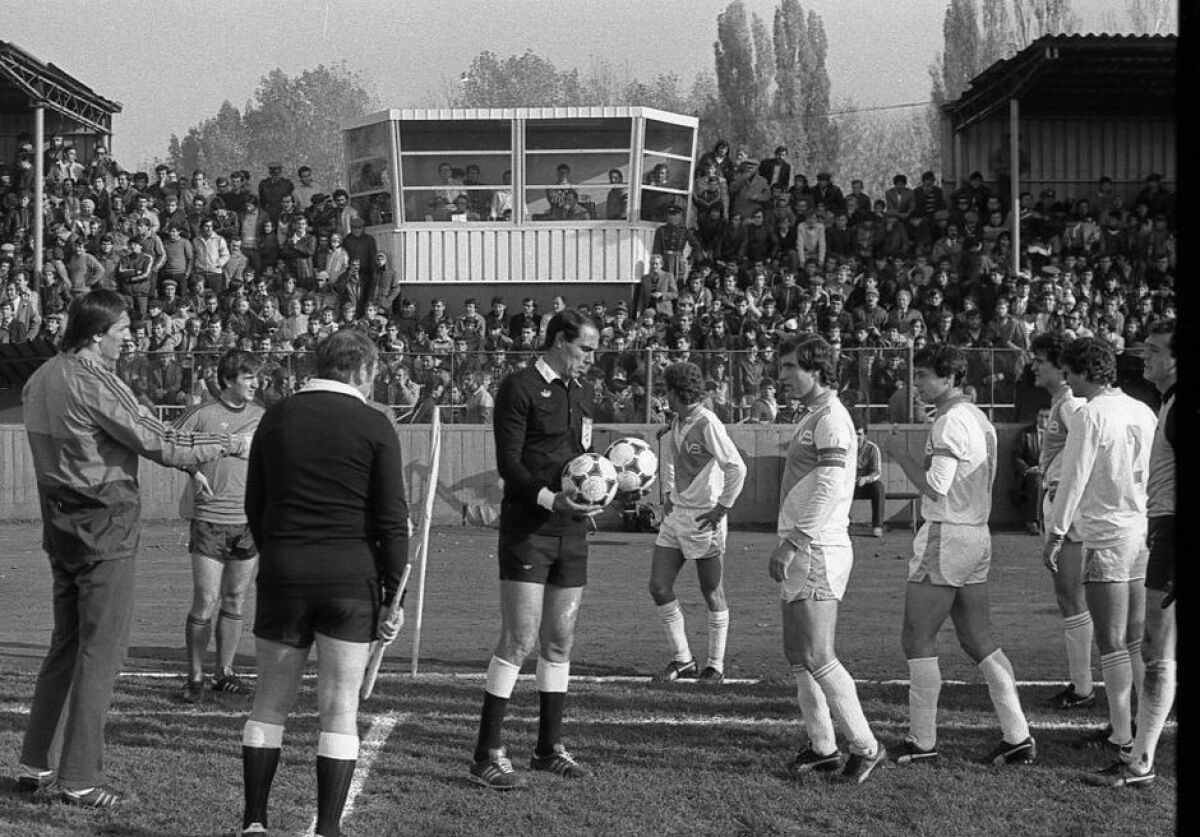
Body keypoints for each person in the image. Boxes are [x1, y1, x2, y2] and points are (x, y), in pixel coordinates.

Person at [16, 291, 242, 808]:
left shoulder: (41, 376)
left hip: (62, 525)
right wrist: (228, 445)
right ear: (97, 334)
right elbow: (159, 440)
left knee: (66, 644)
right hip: (103, 526)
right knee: (102, 651)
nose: (129, 339)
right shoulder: (92, 380)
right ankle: (79, 778)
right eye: (122, 330)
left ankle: (35, 763)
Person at [241, 329, 410, 837]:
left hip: (284, 573)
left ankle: (254, 821)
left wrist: (280, 554)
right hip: (349, 578)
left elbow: (255, 503)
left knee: (269, 701)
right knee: (339, 706)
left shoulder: (276, 417)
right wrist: (394, 595)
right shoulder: (374, 424)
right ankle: (328, 828)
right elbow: (391, 520)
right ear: (362, 370)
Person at [881, 345, 1035, 766]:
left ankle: (922, 741)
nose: (917, 384)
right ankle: (1017, 735)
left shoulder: (949, 421)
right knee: (978, 639)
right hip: (976, 534)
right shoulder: (978, 418)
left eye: (924, 376)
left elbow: (936, 486)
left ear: (949, 378)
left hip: (948, 533)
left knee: (917, 638)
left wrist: (899, 453)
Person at [469, 309, 600, 790]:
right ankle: (486, 753)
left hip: (572, 530)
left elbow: (582, 460)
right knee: (519, 640)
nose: (591, 358)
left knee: (559, 642)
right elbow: (509, 463)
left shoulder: (583, 392)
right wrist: (549, 498)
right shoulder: (518, 387)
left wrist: (601, 489)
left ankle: (548, 749)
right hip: (528, 529)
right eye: (585, 348)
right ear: (560, 341)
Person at [769, 335, 886, 784]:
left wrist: (794, 542)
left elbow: (831, 488)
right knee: (797, 652)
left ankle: (866, 747)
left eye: (790, 367)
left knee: (818, 653)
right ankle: (823, 748)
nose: (781, 375)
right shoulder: (813, 415)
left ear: (816, 370)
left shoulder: (832, 419)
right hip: (804, 545)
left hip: (816, 547)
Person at [1043, 338, 1157, 757]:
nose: (1068, 380)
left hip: (1106, 533)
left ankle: (1121, 735)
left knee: (1111, 640)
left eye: (1071, 372)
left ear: (1086, 372)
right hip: (1140, 528)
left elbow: (1073, 477)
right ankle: (1140, 726)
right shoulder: (1142, 409)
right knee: (1135, 637)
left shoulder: (1090, 414)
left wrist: (1056, 532)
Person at [1084, 320, 1176, 787]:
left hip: (1169, 533)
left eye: (1155, 351)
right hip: (1157, 530)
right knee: (1154, 648)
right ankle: (1141, 756)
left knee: (1156, 650)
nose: (1145, 358)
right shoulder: (1161, 404)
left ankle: (1140, 760)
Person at [175, 350, 267, 703]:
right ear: (228, 380)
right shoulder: (202, 414)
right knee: (206, 599)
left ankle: (224, 672)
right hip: (210, 520)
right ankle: (195, 676)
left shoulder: (261, 416)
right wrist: (193, 472)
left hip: (247, 523)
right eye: (248, 377)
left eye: (256, 377)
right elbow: (170, 444)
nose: (255, 383)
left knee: (235, 598)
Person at [650, 362, 746, 685]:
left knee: (712, 591)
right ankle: (683, 659)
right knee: (659, 586)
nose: (664, 397)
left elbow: (737, 467)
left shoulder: (708, 423)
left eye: (667, 391)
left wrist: (722, 508)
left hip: (704, 519)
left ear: (678, 392)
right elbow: (673, 460)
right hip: (676, 515)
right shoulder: (678, 421)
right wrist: (668, 493)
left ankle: (715, 665)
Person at [1029, 333, 1094, 710]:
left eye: (1041, 361)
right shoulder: (1061, 403)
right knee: (1069, 596)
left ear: (1061, 367)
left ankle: (1083, 686)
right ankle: (1082, 683)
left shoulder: (1072, 404)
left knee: (1071, 596)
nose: (1034, 367)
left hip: (1072, 512)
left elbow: (1088, 457)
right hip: (1061, 505)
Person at [853, 422, 885, 537]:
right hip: (847, 485)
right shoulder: (846, 447)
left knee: (878, 487)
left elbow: (877, 472)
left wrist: (865, 479)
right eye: (853, 434)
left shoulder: (872, 448)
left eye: (859, 434)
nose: (856, 437)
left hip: (864, 485)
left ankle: (877, 526)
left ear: (865, 435)